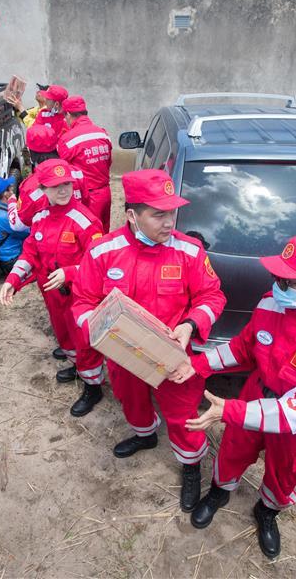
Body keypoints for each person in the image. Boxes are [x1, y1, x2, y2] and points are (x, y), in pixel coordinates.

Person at [168, 235, 296, 558]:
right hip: (257, 393)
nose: (277, 285)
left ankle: (267, 511)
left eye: (288, 281)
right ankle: (219, 493)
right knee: (231, 451)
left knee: (285, 474)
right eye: (276, 276)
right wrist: (197, 365)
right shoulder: (271, 301)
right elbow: (243, 347)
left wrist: (231, 411)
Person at [72, 169, 227, 511]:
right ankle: (144, 435)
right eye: (158, 214)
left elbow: (213, 297)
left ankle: (190, 466)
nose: (169, 222)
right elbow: (82, 303)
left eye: (172, 212)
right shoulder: (103, 252)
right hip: (124, 355)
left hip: (174, 357)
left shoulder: (189, 251)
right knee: (133, 402)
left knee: (183, 416)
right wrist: (98, 333)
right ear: (131, 215)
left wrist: (190, 324)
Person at [0, 160, 106, 417]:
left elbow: (99, 264)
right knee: (63, 335)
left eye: (67, 183)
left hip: (80, 296)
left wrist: (70, 273)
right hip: (51, 292)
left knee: (84, 339)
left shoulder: (85, 221)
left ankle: (94, 386)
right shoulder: (40, 218)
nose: (63, 190)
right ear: (43, 189)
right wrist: (12, 279)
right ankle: (77, 365)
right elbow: (30, 254)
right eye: (55, 186)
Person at [57, 96, 114, 231]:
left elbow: (63, 171)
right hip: (106, 192)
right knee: (103, 232)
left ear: (69, 114)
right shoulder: (102, 134)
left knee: (87, 234)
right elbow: (108, 162)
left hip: (86, 197)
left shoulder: (67, 140)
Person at [0, 176, 29, 275]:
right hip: (12, 261)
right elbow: (26, 232)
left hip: (10, 258)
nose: (12, 190)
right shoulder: (2, 216)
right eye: (9, 188)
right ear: (5, 194)